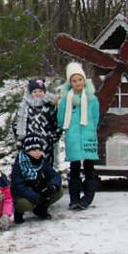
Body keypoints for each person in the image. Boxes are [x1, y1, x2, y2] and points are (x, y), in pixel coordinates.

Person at [58, 62, 101, 210]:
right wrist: (69, 130)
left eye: (80, 80)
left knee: (89, 169)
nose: (77, 83)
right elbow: (61, 118)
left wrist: (90, 130)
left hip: (88, 136)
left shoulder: (92, 99)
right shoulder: (65, 100)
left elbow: (95, 117)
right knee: (74, 168)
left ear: (84, 80)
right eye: (74, 81)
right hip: (73, 138)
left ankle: (87, 199)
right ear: (70, 83)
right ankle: (74, 199)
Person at [10, 135, 63, 223]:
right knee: (24, 204)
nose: (37, 152)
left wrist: (53, 186)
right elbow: (18, 186)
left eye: (39, 150)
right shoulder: (19, 164)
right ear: (27, 151)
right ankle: (19, 212)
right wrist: (33, 196)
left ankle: (41, 208)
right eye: (34, 150)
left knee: (58, 191)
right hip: (23, 194)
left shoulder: (42, 162)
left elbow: (54, 175)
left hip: (39, 190)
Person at [13, 78, 61, 166]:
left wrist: (52, 137)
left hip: (46, 144)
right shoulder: (24, 108)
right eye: (35, 91)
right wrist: (20, 138)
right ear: (30, 93)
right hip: (29, 144)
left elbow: (58, 124)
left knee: (46, 168)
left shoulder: (50, 107)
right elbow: (16, 124)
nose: (38, 93)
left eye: (40, 91)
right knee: (29, 167)